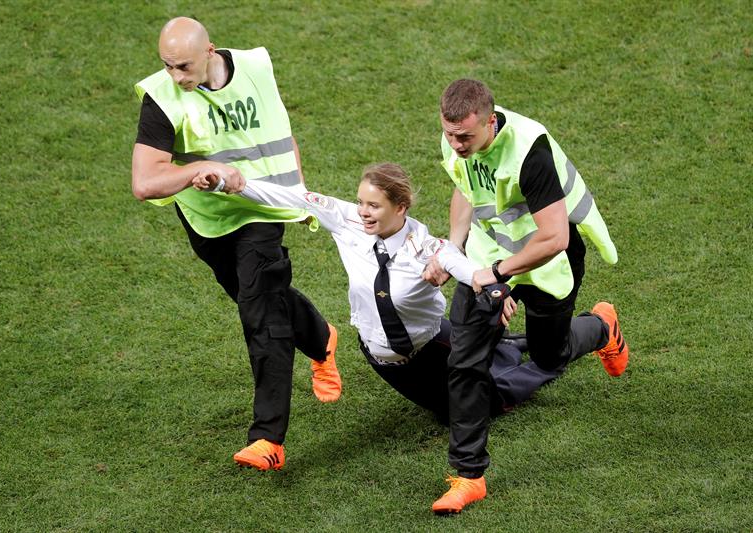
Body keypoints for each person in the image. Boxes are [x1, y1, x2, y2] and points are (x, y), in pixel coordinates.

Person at [193, 163, 596, 432]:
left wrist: (493, 285)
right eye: (362, 202)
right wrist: (229, 182)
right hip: (384, 359)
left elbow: (463, 266)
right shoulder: (348, 220)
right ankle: (505, 348)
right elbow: (291, 198)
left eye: (375, 205)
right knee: (451, 408)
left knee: (486, 406)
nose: (364, 212)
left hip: (431, 346)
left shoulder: (426, 248)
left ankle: (592, 329)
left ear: (400, 207)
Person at [131, 16, 341, 472]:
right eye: (167, 66)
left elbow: (280, 134)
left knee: (261, 315)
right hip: (207, 221)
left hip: (261, 209)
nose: (176, 77)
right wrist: (198, 170)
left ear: (210, 52)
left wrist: (297, 191)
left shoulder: (255, 68)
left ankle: (268, 439)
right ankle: (323, 339)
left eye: (183, 67)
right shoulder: (161, 96)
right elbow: (145, 182)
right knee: (262, 298)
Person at [421, 79, 630, 514]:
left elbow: (553, 237)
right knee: (465, 358)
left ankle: (601, 327)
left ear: (490, 122)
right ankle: (468, 476)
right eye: (449, 134)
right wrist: (455, 249)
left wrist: (497, 274)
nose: (456, 144)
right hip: (491, 253)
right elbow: (465, 188)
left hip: (548, 258)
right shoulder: (457, 143)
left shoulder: (528, 151)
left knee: (549, 355)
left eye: (465, 137)